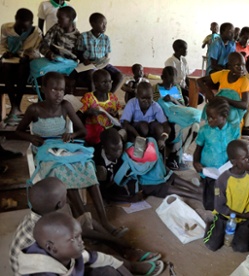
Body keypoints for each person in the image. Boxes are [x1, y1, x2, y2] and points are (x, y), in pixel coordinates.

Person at [16, 72, 125, 237]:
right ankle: (87, 223)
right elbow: (18, 132)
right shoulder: (35, 109)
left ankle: (104, 221)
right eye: (54, 89)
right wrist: (31, 137)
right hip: (45, 151)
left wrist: (71, 135)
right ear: (44, 89)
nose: (58, 93)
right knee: (64, 172)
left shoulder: (65, 106)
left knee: (88, 167)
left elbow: (81, 130)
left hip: (64, 147)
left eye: (61, 89)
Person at [10, 177, 163, 276]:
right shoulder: (45, 236)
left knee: (87, 220)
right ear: (60, 203)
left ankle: (126, 252)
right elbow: (79, 254)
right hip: (48, 268)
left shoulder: (42, 218)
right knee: (104, 267)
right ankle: (130, 263)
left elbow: (79, 230)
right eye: (66, 195)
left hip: (53, 253)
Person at [18, 212, 135, 276]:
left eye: (80, 236)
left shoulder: (66, 251)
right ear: (51, 247)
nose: (82, 241)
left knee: (108, 270)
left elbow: (99, 258)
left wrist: (121, 268)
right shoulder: (42, 272)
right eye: (74, 238)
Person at [203, 140, 249, 252]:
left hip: (243, 216)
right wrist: (245, 216)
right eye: (246, 159)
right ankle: (210, 224)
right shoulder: (222, 180)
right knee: (211, 245)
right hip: (225, 216)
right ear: (233, 161)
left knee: (241, 248)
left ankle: (239, 230)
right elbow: (220, 207)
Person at [193, 97, 240, 210]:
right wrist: (195, 162)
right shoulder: (205, 130)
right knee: (210, 204)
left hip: (225, 170)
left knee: (227, 199)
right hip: (208, 170)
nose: (208, 120)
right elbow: (198, 149)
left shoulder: (234, 130)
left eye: (212, 118)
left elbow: (236, 151)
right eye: (208, 116)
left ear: (223, 117)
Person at [153, 67, 200, 170]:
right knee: (183, 126)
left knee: (196, 126)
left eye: (172, 83)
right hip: (165, 118)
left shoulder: (177, 88)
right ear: (162, 78)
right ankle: (174, 156)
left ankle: (177, 155)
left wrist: (174, 100)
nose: (170, 86)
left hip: (178, 114)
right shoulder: (155, 88)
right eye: (168, 82)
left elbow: (182, 107)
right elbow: (155, 108)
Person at [0, 8, 42, 122]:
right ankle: (15, 106)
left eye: (25, 28)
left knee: (22, 69)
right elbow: (2, 45)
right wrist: (5, 53)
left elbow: (36, 51)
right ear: (15, 20)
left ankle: (15, 106)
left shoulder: (36, 32)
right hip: (10, 61)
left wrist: (27, 57)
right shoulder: (5, 28)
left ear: (32, 24)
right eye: (19, 27)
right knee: (5, 67)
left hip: (25, 62)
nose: (22, 29)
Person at [198, 52, 249, 128]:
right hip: (220, 109)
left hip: (235, 114)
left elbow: (245, 105)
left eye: (243, 65)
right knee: (208, 110)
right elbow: (200, 81)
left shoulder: (244, 81)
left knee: (228, 117)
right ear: (229, 66)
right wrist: (208, 93)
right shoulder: (223, 74)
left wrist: (226, 100)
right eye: (237, 65)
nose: (241, 68)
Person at [75, 12, 123, 92]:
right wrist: (84, 60)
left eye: (105, 24)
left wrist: (105, 61)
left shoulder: (106, 38)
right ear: (93, 24)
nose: (104, 26)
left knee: (120, 76)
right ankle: (93, 98)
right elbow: (78, 52)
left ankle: (109, 96)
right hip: (88, 64)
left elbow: (107, 55)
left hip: (102, 64)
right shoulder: (83, 36)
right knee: (92, 75)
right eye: (102, 23)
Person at [120, 82, 170, 149]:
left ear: (153, 96)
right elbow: (125, 124)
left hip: (150, 130)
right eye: (143, 98)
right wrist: (137, 136)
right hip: (135, 130)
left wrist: (163, 138)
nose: (146, 101)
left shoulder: (155, 106)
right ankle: (139, 146)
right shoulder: (131, 104)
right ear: (137, 96)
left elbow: (165, 125)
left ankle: (158, 149)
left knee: (159, 128)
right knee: (143, 127)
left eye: (149, 98)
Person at [78, 69, 122, 145]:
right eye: (104, 82)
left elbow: (118, 113)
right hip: (93, 129)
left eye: (109, 81)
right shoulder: (88, 97)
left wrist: (115, 114)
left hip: (109, 128)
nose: (108, 84)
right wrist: (89, 112)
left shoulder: (112, 97)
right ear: (95, 84)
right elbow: (79, 115)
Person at [165, 39, 204, 105]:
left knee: (200, 98)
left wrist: (190, 88)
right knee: (184, 101)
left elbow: (185, 76)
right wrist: (184, 90)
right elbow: (171, 81)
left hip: (183, 87)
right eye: (185, 49)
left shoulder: (184, 60)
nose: (187, 51)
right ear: (180, 50)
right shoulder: (170, 62)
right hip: (175, 88)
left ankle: (187, 106)